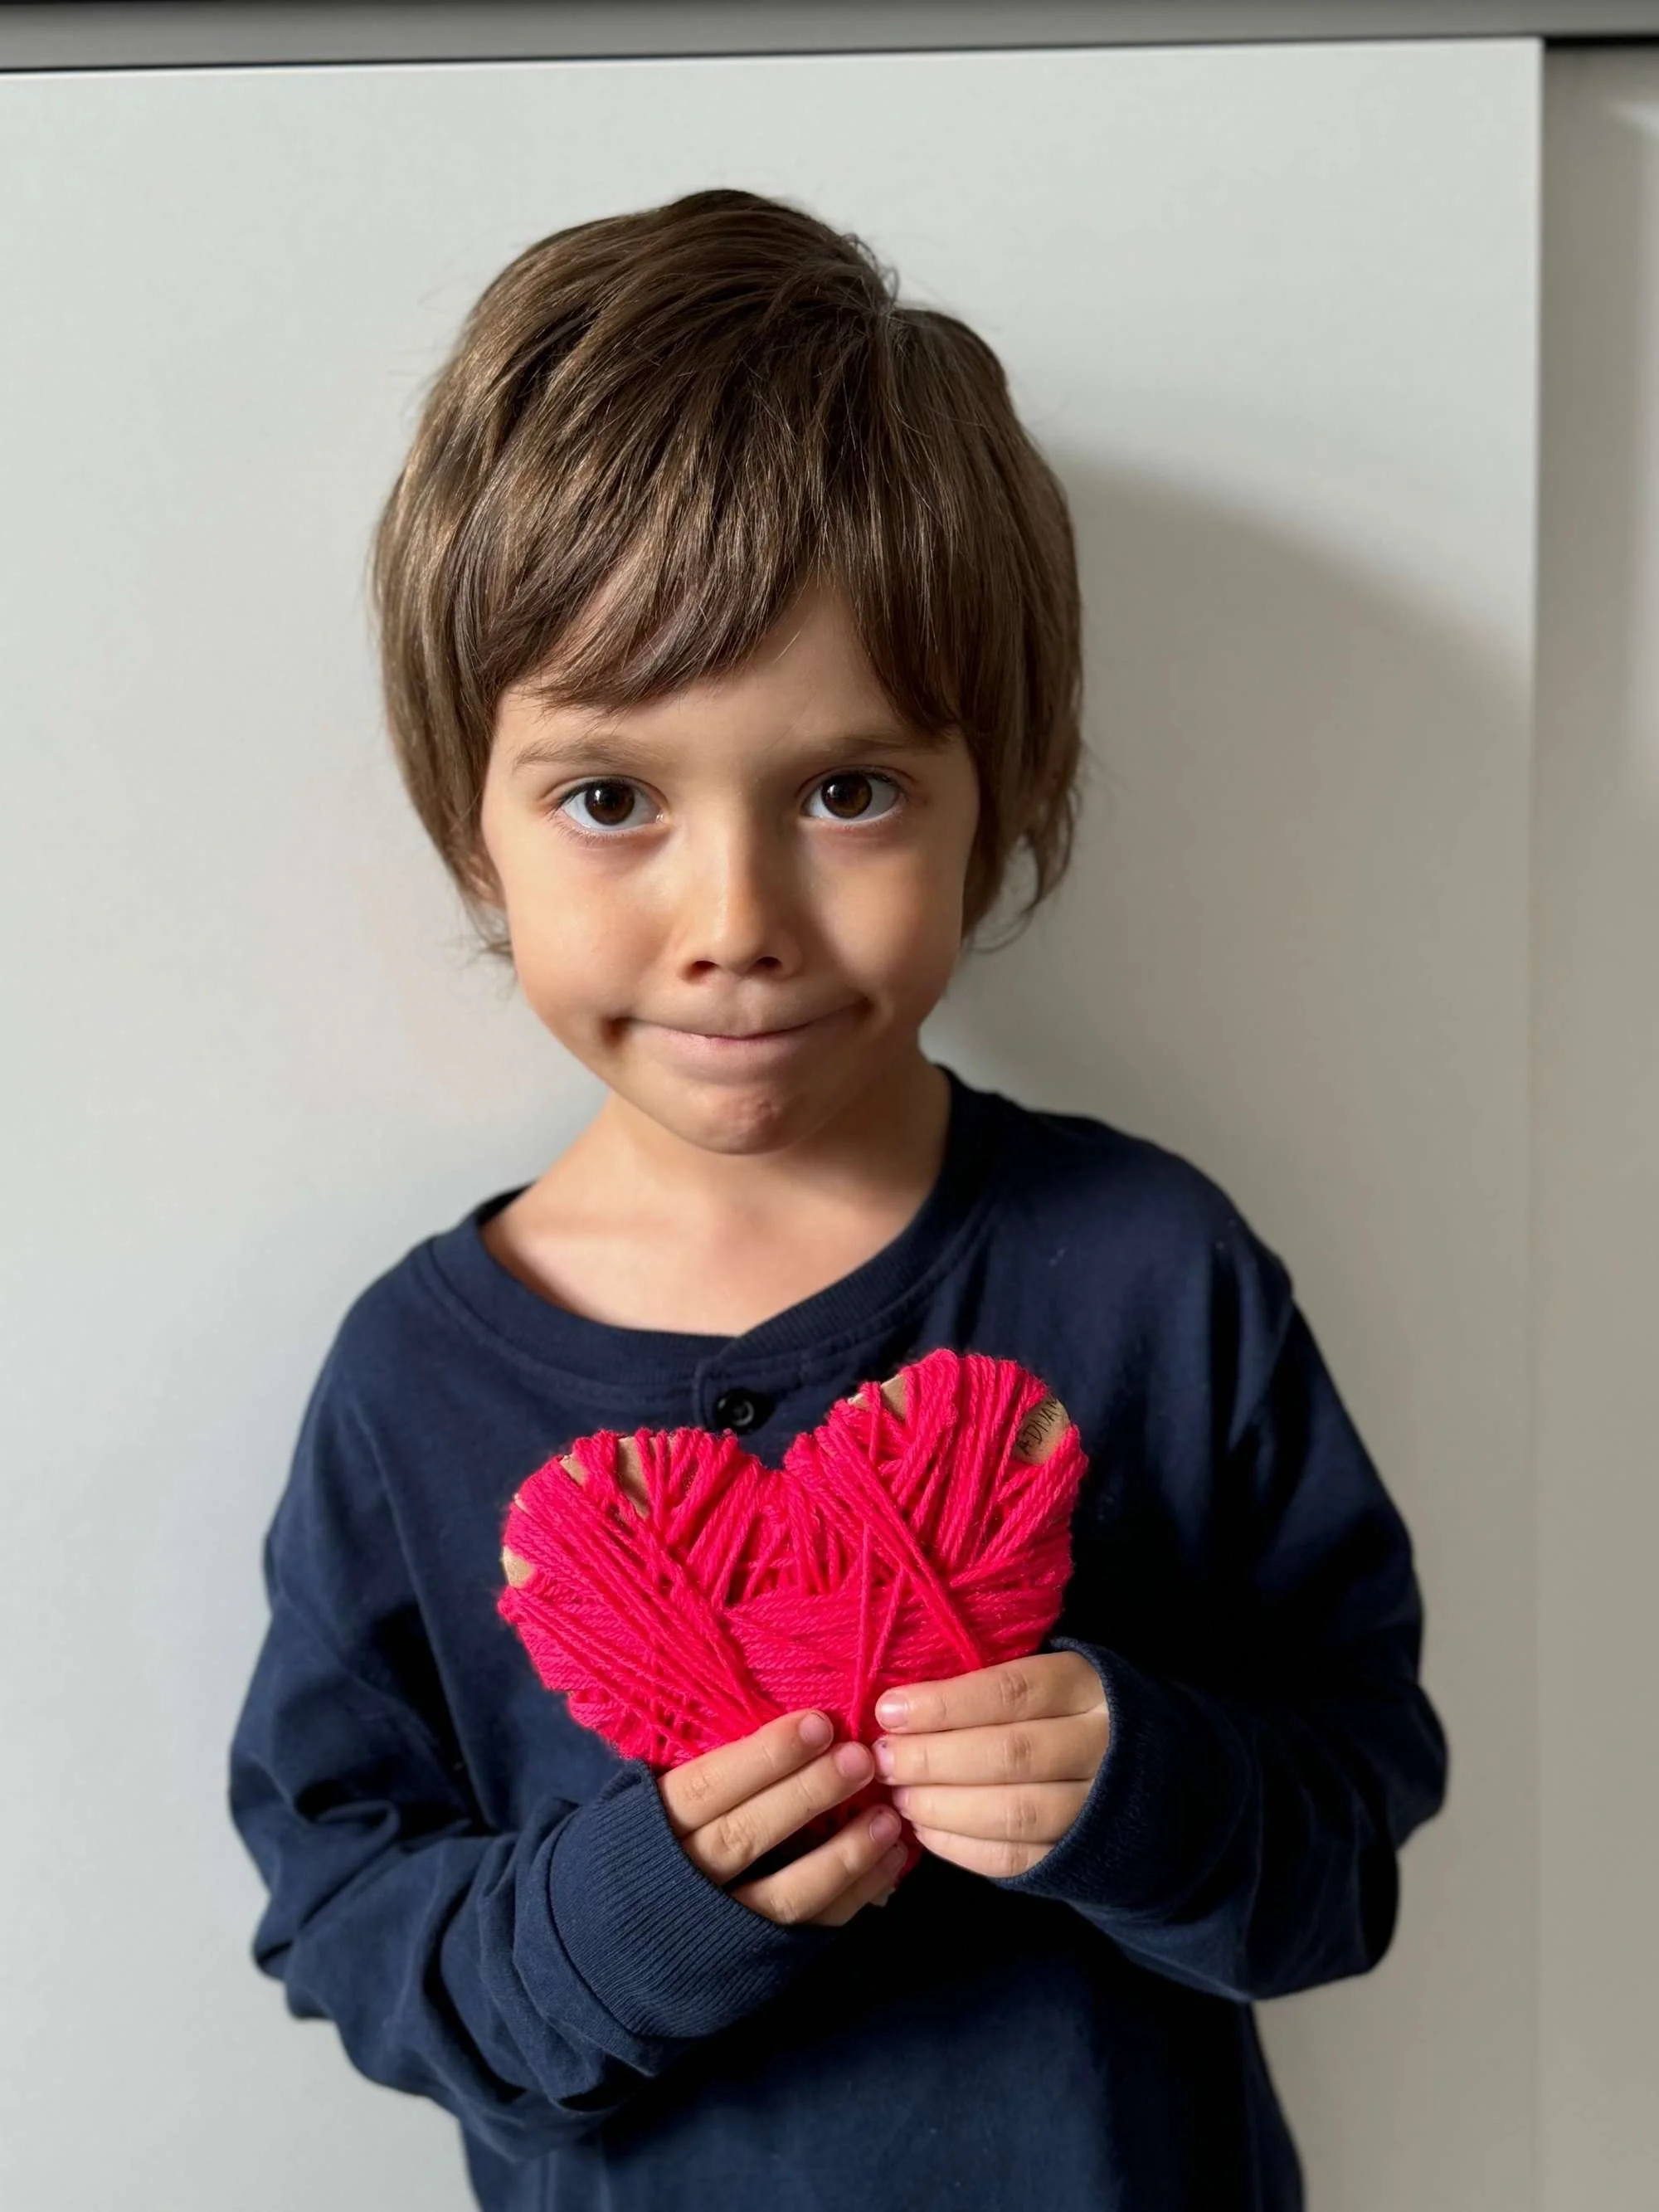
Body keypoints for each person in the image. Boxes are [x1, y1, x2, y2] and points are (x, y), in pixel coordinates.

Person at [227, 187, 1448, 2212]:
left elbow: (1342, 1842)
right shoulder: (403, 1392)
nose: (735, 926)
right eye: (611, 798)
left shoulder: (1155, 1273)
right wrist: (630, 1909)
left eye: (846, 790)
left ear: (1007, 790)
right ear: (475, 820)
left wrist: (1135, 1788)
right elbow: (347, 1923)